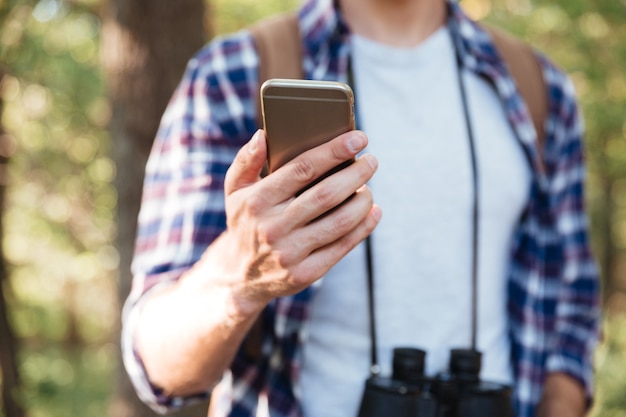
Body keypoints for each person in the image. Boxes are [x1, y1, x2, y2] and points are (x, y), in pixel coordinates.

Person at [121, 0, 601, 416]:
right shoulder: (231, 75)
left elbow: (571, 305)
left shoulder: (540, 89)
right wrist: (237, 279)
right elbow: (156, 363)